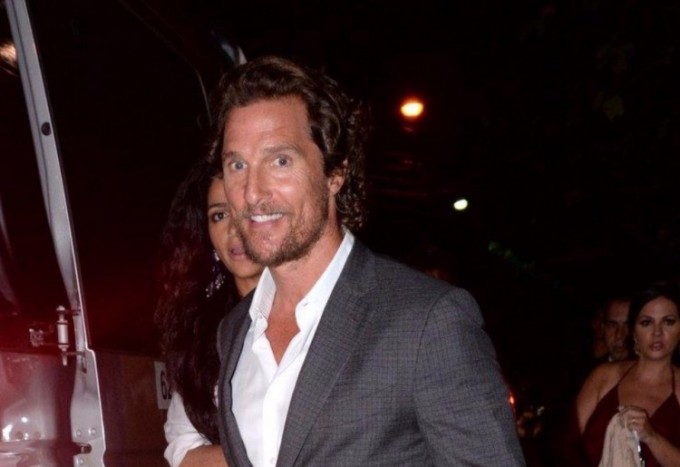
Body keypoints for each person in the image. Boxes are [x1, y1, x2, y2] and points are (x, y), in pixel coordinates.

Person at [208, 55, 525, 466]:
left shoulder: (427, 322)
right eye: (237, 165)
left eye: (280, 161)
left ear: (335, 173)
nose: (252, 192)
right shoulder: (234, 331)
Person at [155, 158, 263, 466]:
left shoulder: (315, 310)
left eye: (246, 211)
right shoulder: (203, 331)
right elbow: (182, 450)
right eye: (219, 215)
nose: (234, 229)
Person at [576, 279, 680, 466]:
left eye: (668, 322)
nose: (657, 332)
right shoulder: (604, 377)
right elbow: (566, 443)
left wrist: (652, 437)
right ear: (633, 330)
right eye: (646, 322)